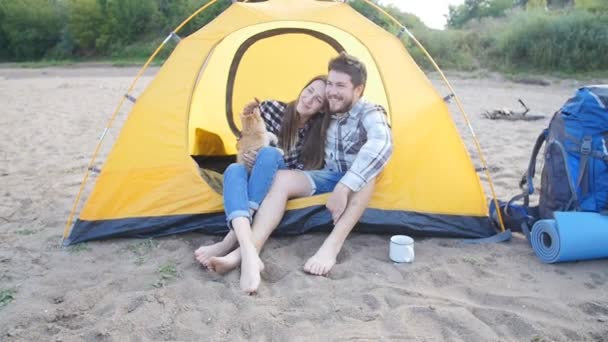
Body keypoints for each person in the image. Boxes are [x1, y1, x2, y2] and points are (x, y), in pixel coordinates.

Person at [210, 52, 393, 292]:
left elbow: (381, 143)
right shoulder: (326, 114)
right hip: (326, 175)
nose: (332, 91)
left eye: (340, 85)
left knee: (368, 174)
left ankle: (331, 248)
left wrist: (345, 185)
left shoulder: (369, 111)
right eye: (330, 84)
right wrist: (254, 127)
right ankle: (247, 251)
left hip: (350, 182)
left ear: (358, 90)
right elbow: (280, 134)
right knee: (280, 178)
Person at [194, 75, 329, 292]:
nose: (310, 99)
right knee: (233, 169)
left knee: (269, 154)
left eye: (318, 99)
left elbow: (300, 173)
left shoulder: (317, 135)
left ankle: (229, 242)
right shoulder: (271, 108)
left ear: (322, 109)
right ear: (303, 87)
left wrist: (266, 155)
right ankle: (248, 253)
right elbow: (245, 141)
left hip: (273, 184)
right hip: (250, 176)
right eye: (310, 90)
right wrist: (247, 131)